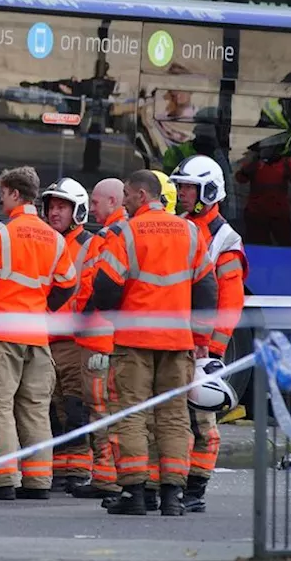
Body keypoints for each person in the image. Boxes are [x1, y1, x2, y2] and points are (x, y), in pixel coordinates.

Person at [92, 169, 216, 516]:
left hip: (134, 341)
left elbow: (105, 289)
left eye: (128, 196)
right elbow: (207, 289)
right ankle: (173, 496)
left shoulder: (126, 233)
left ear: (142, 196)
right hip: (177, 342)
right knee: (174, 416)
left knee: (132, 414)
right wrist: (201, 337)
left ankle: (134, 493)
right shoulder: (191, 232)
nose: (126, 202)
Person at [0, 166, 77, 501]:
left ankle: (2, 481)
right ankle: (38, 481)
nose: (1, 201)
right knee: (34, 408)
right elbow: (68, 285)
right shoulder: (55, 239)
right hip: (37, 336)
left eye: (3, 194)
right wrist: (43, 309)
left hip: (2, 334)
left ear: (15, 194)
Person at [172, 155, 248, 513]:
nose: (182, 193)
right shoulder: (179, 226)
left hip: (201, 346)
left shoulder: (225, 239)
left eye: (189, 188)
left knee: (202, 419)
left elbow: (231, 301)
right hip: (173, 341)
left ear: (209, 191)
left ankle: (195, 489)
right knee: (171, 417)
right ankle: (171, 483)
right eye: (181, 187)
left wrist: (213, 350)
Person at [68, 177, 128, 501]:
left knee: (99, 408)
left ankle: (106, 477)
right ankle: (112, 475)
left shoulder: (108, 237)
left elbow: (95, 286)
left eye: (95, 202)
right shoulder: (128, 234)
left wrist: (81, 317)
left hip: (97, 338)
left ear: (113, 202)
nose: (90, 209)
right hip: (114, 338)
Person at [40, 178, 97, 494]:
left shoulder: (89, 244)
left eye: (62, 206)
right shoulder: (46, 241)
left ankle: (77, 468)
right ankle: (61, 469)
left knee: (76, 406)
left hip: (75, 342)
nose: (54, 212)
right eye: (51, 206)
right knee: (52, 408)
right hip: (48, 339)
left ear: (78, 211)